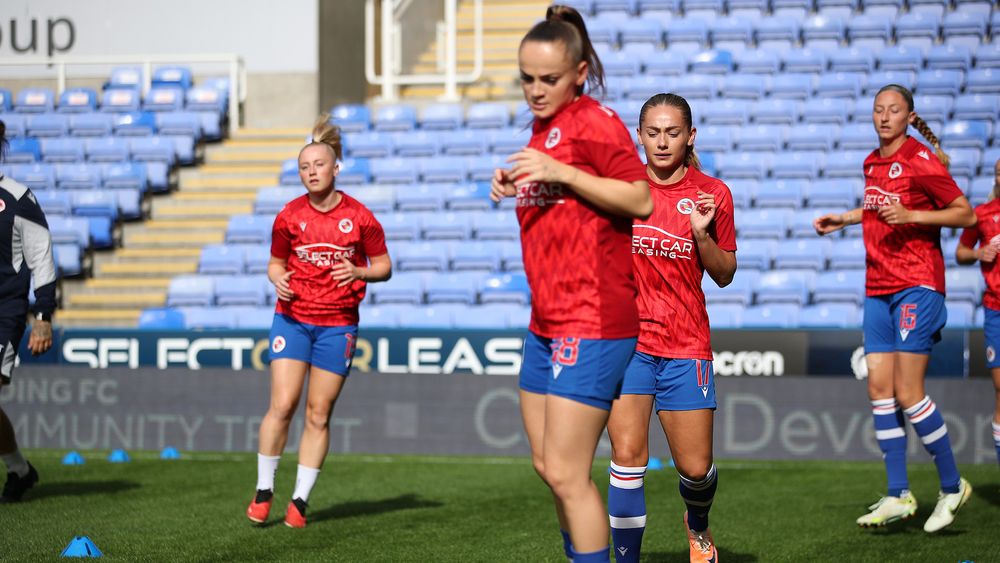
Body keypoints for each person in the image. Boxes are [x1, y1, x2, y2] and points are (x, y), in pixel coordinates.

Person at [490, 6, 652, 562]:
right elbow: (564, 201)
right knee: (547, 466)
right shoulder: (545, 127)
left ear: (580, 73)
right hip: (546, 321)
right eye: (527, 79)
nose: (536, 90)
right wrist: (515, 182)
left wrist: (563, 173)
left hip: (593, 318)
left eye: (549, 79)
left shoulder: (594, 122)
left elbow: (640, 198)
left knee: (565, 469)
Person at [814, 84, 975, 532]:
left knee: (908, 392)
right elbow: (877, 206)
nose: (884, 117)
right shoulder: (872, 161)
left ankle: (951, 485)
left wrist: (914, 217)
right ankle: (898, 493)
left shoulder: (921, 160)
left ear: (909, 116)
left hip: (916, 286)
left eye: (894, 110)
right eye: (878, 110)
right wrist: (844, 219)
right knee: (879, 392)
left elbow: (965, 215)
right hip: (877, 289)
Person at [606, 93, 736, 563]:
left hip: (685, 344)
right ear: (639, 135)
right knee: (627, 456)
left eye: (672, 132)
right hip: (628, 344)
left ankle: (696, 523)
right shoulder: (619, 189)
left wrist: (702, 233)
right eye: (653, 132)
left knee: (696, 469)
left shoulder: (712, 194)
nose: (662, 142)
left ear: (690, 136)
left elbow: (724, 273)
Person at [246, 115, 391, 528]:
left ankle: (300, 501)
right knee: (283, 405)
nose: (311, 172)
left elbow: (384, 265)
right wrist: (279, 280)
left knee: (318, 414)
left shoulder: (360, 217)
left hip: (338, 325)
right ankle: (263, 490)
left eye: (319, 165)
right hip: (292, 320)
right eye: (304, 167)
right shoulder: (289, 216)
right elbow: (274, 264)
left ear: (336, 168)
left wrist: (360, 272)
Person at [0, 118, 57, 503]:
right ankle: (20, 469)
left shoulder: (18, 199)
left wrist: (44, 316)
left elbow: (42, 259)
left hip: (4, 313)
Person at [955, 157, 1000, 467]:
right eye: (999, 172)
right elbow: (960, 252)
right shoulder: (982, 215)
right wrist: (978, 252)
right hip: (996, 309)